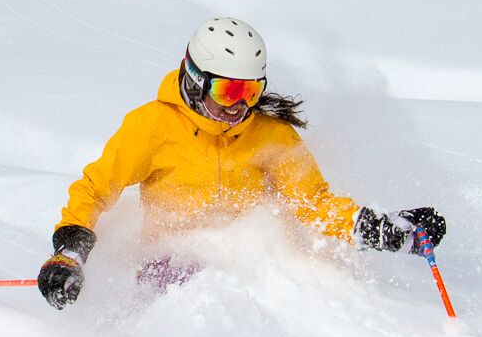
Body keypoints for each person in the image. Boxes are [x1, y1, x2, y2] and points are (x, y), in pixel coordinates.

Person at [37, 16, 446, 309]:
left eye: (252, 91)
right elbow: (95, 188)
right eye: (229, 90)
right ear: (196, 80)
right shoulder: (152, 127)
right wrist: (69, 253)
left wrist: (384, 230)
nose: (241, 106)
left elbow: (314, 204)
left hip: (250, 263)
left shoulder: (271, 134)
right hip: (170, 259)